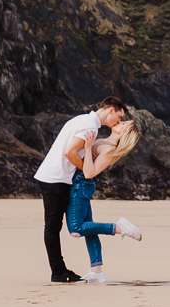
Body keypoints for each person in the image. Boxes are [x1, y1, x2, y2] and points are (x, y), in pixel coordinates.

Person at [33, 98, 128, 282]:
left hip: (55, 176)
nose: (118, 121)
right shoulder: (89, 126)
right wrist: (85, 168)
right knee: (56, 228)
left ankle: (75, 270)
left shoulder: (83, 120)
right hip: (56, 178)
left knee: (60, 227)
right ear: (110, 109)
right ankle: (58, 272)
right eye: (119, 116)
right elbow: (70, 153)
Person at [67, 119, 145, 284]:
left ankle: (118, 227)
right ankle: (97, 271)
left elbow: (89, 173)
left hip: (81, 184)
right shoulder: (103, 141)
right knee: (89, 228)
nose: (120, 123)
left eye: (125, 125)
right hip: (80, 184)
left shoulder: (110, 150)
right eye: (123, 121)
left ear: (125, 134)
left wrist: (88, 148)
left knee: (76, 228)